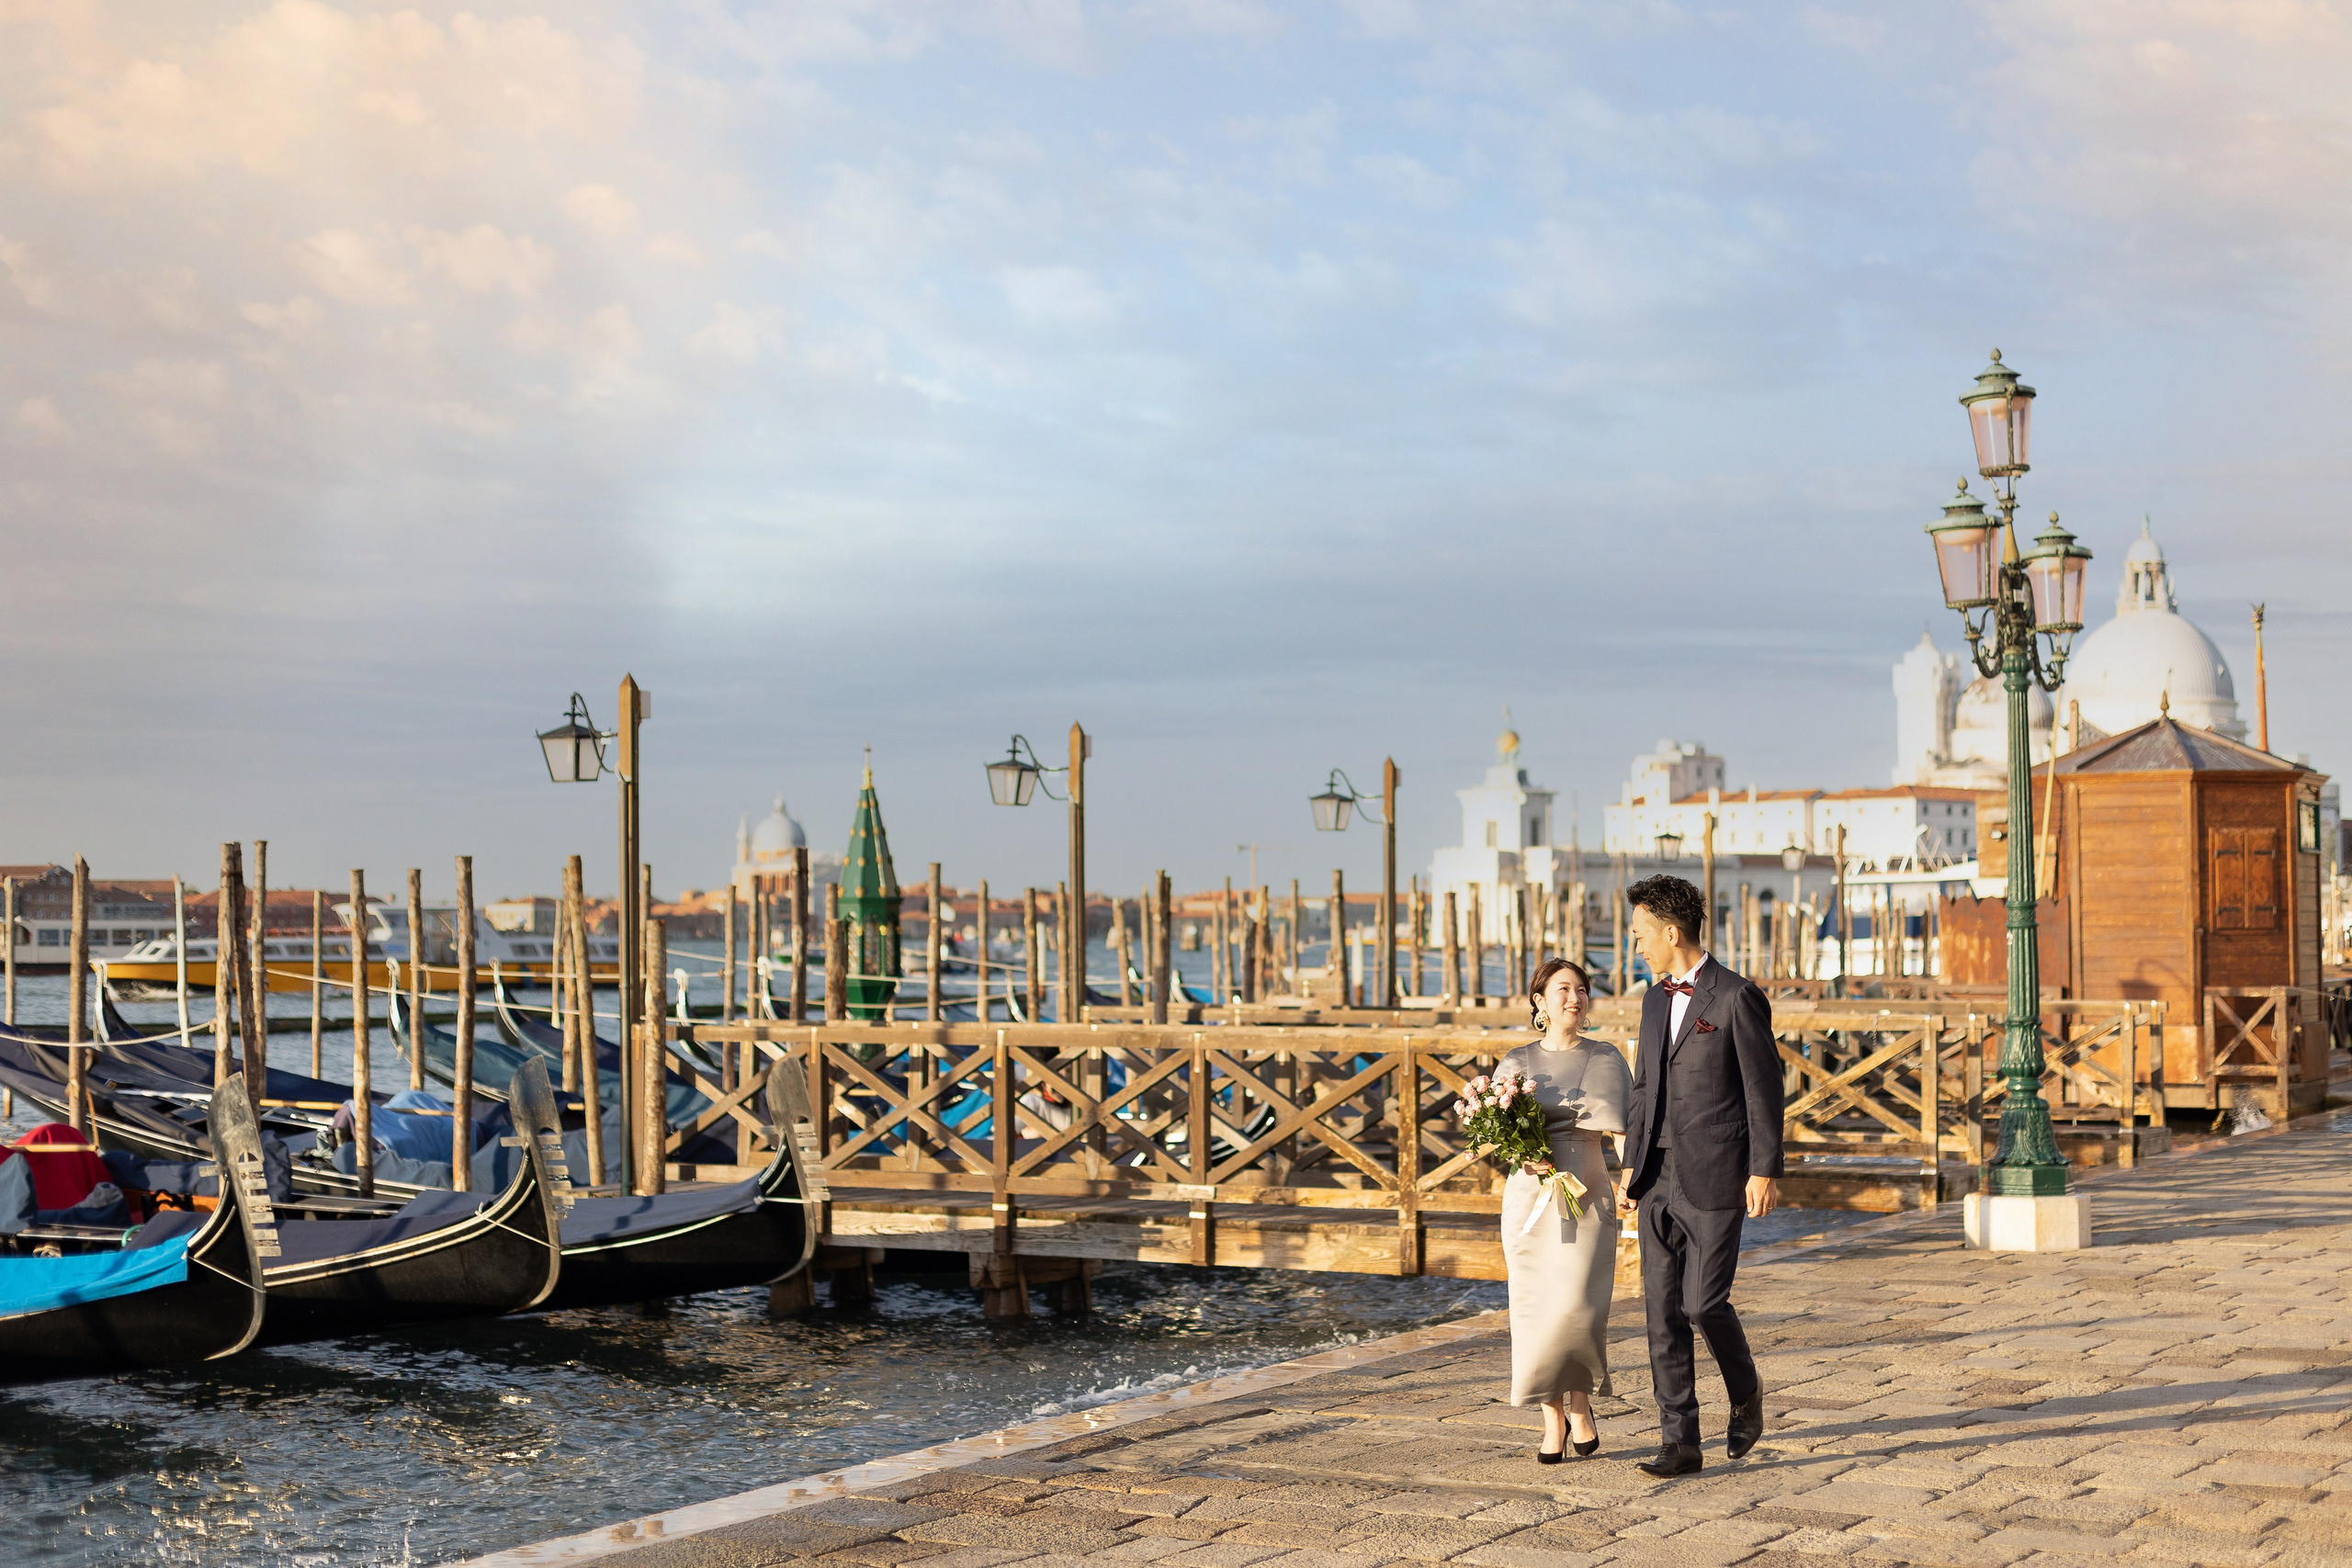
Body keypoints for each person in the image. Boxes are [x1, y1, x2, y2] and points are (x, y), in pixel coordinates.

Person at [1613, 874, 1782, 1478]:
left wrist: (1764, 1168)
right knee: (1661, 1311)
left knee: (1703, 1302)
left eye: (1641, 934)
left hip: (1716, 1173)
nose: (1636, 945)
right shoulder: (1653, 999)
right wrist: (1631, 1165)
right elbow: (1643, 1086)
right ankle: (1679, 1440)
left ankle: (1746, 1390)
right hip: (1655, 1175)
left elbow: (1764, 1088)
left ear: (1671, 932)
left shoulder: (1736, 996)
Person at [1498, 956, 1633, 1463]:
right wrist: (1521, 1155)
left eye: (1581, 989)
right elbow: (1499, 1136)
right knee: (1536, 1311)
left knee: (1578, 1305)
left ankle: (1581, 1402)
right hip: (1529, 1199)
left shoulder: (1606, 1057)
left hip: (1588, 1190)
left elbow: (1623, 1130)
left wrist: (1630, 1178)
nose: (1574, 998)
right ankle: (1553, 1417)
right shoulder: (1515, 1062)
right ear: (1540, 1000)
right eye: (1562, 989)